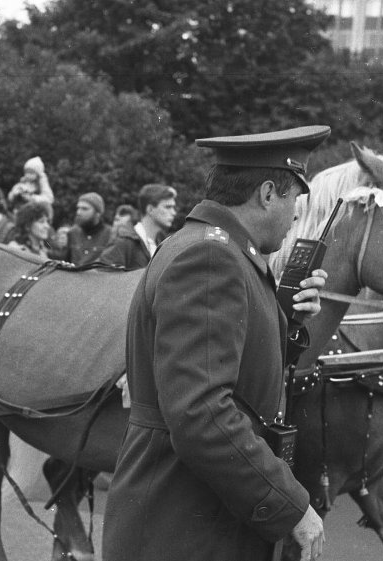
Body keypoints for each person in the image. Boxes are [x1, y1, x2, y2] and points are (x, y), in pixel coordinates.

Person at [102, 125, 331, 561]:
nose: (295, 217)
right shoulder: (212, 258)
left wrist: (290, 320)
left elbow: (237, 375)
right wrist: (291, 507)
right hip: (183, 522)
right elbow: (202, 411)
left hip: (191, 513)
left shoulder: (218, 249)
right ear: (267, 193)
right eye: (293, 201)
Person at [98, 184, 177, 269]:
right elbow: (104, 277)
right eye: (168, 207)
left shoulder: (162, 243)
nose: (173, 212)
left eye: (173, 207)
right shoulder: (124, 241)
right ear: (150, 209)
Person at [65, 192, 112, 266]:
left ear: (98, 213)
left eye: (84, 209)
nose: (78, 212)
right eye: (78, 208)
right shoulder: (72, 233)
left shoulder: (110, 234)